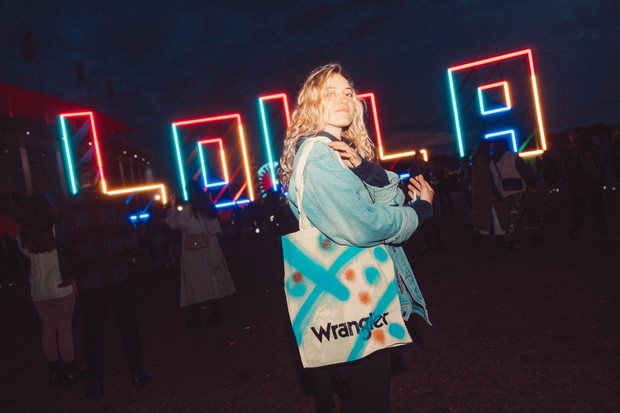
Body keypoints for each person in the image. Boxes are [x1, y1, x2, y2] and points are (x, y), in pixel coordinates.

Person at [279, 63, 434, 413]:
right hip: (352, 299)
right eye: (330, 93)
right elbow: (363, 225)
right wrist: (420, 212)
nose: (343, 99)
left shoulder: (336, 151)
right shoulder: (320, 156)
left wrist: (366, 169)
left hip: (350, 297)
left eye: (348, 92)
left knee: (359, 399)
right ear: (312, 104)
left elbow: (389, 198)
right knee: (369, 401)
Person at [55, 162, 151, 399]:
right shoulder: (113, 204)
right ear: (97, 178)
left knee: (93, 333)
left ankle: (96, 382)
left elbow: (63, 249)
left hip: (89, 281)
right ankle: (138, 373)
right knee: (128, 327)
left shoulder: (66, 211)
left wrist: (71, 277)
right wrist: (132, 263)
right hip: (117, 274)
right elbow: (129, 239)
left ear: (77, 179)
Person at [16, 194, 82, 386]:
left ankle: (54, 370)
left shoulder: (23, 235)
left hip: (39, 287)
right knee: (64, 328)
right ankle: (70, 368)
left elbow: (27, 255)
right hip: (61, 284)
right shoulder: (56, 229)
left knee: (48, 329)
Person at [165, 180, 236, 328]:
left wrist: (172, 206)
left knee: (193, 282)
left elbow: (172, 223)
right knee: (213, 280)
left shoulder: (188, 211)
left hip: (193, 251)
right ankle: (215, 313)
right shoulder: (208, 209)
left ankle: (195, 317)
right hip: (210, 247)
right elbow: (216, 229)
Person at [489, 138, 539, 249]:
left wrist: (497, 194)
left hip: (503, 191)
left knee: (519, 212)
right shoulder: (512, 156)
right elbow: (525, 171)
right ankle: (509, 238)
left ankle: (533, 232)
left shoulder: (492, 161)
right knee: (515, 215)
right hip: (517, 189)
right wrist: (532, 185)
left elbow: (492, 180)